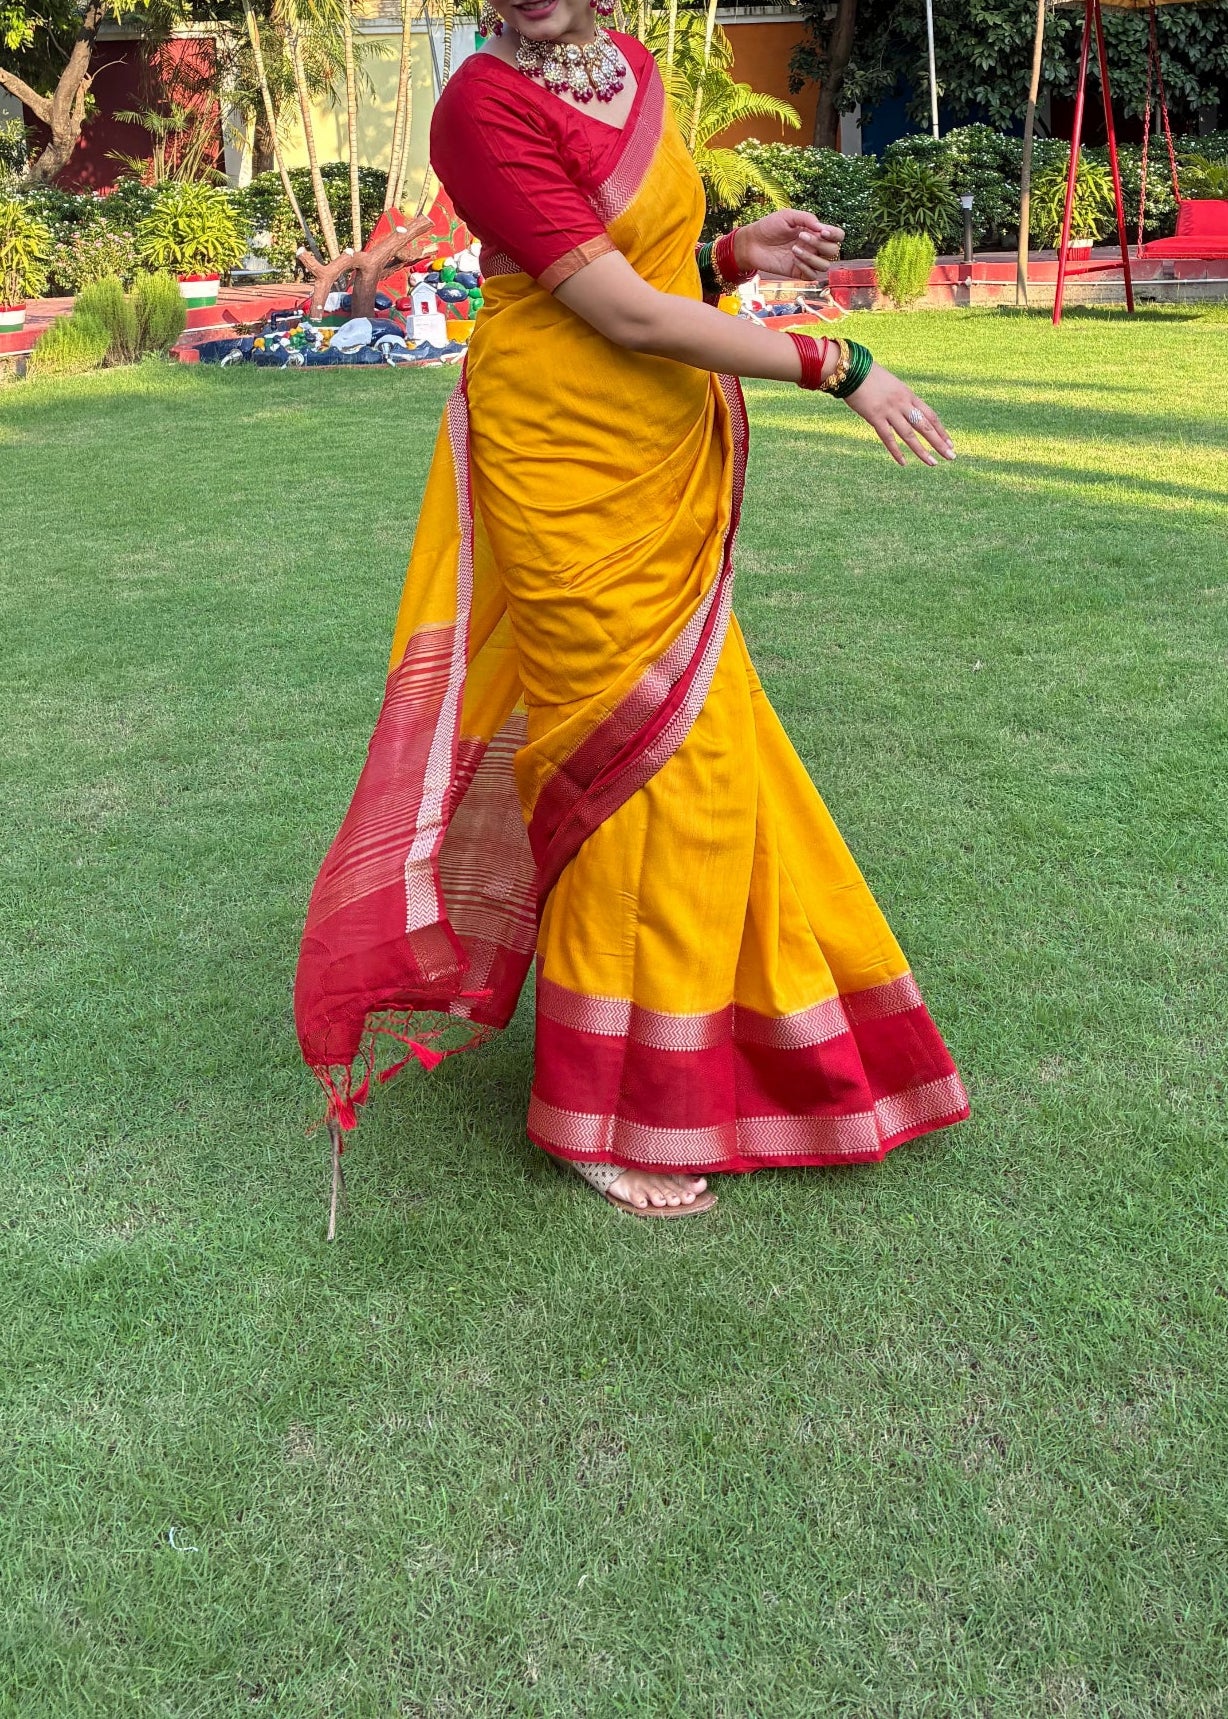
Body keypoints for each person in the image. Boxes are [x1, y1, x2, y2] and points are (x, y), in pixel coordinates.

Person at [293, 0, 969, 1223]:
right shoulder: (480, 106)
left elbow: (646, 271)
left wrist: (733, 256)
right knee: (642, 767)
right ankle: (606, 1105)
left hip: (661, 443)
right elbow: (617, 315)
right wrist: (842, 364)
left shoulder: (637, 68)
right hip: (563, 458)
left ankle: (734, 1043)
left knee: (710, 748)